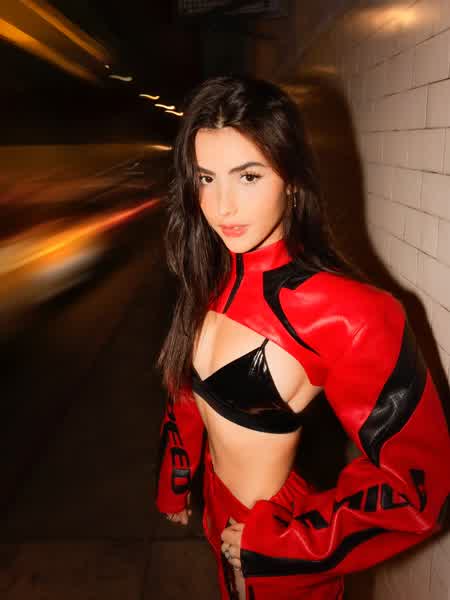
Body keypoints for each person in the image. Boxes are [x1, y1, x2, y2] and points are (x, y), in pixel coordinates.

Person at [155, 75, 450, 600]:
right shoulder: (208, 276)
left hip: (279, 554)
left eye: (248, 176)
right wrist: (178, 479)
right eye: (206, 179)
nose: (221, 206)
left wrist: (282, 544)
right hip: (219, 518)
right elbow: (185, 387)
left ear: (291, 178)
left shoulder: (352, 313)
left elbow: (419, 486)